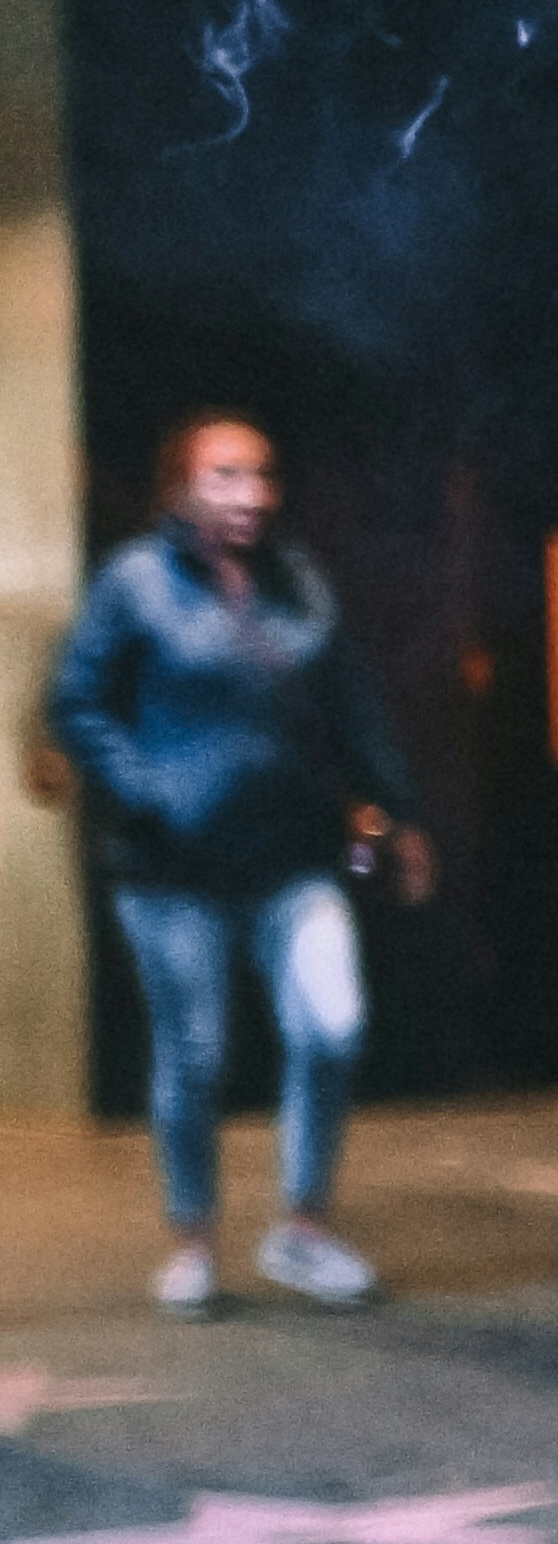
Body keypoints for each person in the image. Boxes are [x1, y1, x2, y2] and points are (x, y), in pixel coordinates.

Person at [46, 420, 429, 1315]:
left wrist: (400, 814)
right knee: (195, 1056)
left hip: (293, 861)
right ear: (179, 487)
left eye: (260, 474)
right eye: (224, 475)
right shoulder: (136, 582)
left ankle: (303, 1231)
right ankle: (194, 1245)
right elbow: (77, 702)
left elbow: (353, 707)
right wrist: (148, 792)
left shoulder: (298, 581)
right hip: (171, 872)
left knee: (332, 1027)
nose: (251, 493)